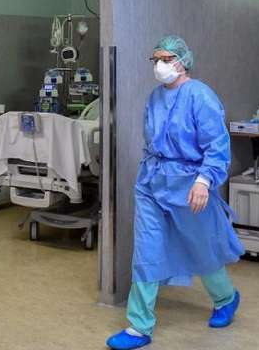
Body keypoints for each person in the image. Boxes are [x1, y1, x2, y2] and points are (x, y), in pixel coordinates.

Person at [106, 36, 245, 350]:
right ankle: (139, 326)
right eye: (156, 59)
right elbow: (152, 142)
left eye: (167, 59)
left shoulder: (200, 96)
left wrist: (204, 181)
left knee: (201, 247)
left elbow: (217, 145)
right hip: (152, 183)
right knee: (146, 250)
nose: (160, 65)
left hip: (190, 186)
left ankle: (226, 298)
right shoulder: (155, 97)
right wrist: (150, 176)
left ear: (183, 61)